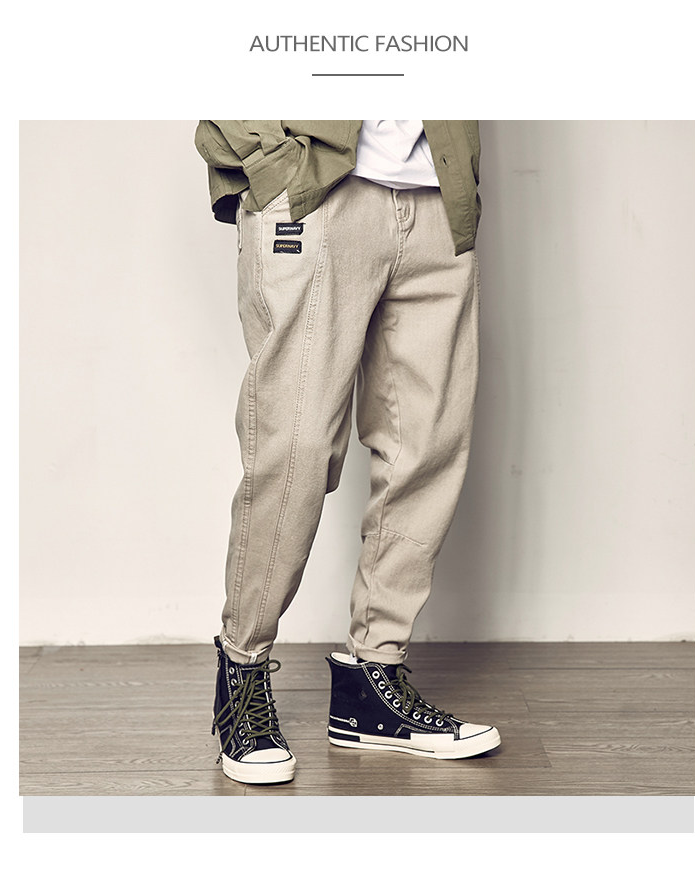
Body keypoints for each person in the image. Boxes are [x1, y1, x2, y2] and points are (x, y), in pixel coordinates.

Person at [195, 120, 501, 785]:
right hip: (317, 187)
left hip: (436, 196)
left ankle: (373, 680)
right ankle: (241, 671)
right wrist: (271, 163)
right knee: (296, 447)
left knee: (427, 447)